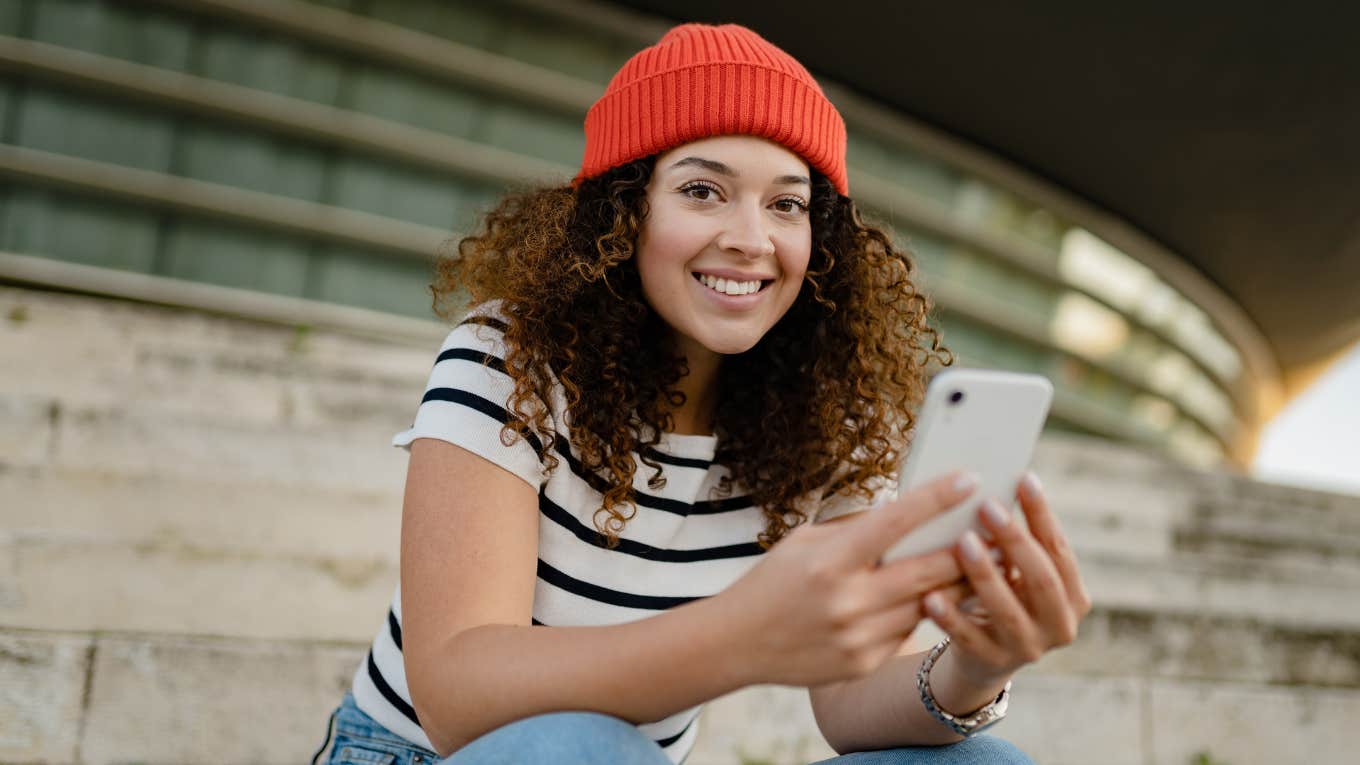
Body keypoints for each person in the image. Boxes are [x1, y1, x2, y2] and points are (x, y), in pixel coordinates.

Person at [314, 22, 1090, 765]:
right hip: (417, 753)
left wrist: (972, 668)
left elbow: (853, 697)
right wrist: (739, 636)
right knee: (586, 747)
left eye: (786, 203)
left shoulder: (829, 418)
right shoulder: (509, 361)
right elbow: (456, 694)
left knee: (983, 763)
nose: (752, 238)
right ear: (625, 211)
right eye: (703, 191)